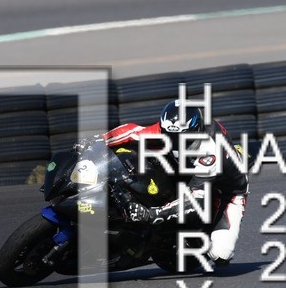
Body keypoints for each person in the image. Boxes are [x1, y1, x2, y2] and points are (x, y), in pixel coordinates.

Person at [106, 100, 249, 266]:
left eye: (181, 138)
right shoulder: (170, 128)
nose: (174, 142)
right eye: (170, 136)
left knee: (221, 254)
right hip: (187, 169)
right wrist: (98, 140)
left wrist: (151, 214)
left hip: (224, 192)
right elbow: (133, 131)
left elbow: (195, 200)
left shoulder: (210, 149)